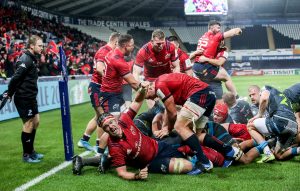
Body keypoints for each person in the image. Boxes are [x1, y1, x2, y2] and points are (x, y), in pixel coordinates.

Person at [73, 83, 197, 179]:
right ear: (105, 130)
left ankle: (101, 158)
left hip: (157, 146)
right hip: (149, 162)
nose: (110, 126)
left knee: (184, 151)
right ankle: (98, 158)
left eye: (111, 122)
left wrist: (142, 90)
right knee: (188, 166)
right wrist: (136, 176)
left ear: (116, 121)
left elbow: (137, 101)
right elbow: (122, 173)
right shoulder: (115, 145)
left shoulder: (124, 119)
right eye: (106, 127)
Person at [145, 73, 243, 173]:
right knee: (195, 135)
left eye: (148, 97)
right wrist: (165, 127)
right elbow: (168, 109)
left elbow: (173, 113)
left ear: (149, 88)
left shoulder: (159, 86)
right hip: (208, 94)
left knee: (179, 126)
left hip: (199, 94)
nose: (150, 99)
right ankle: (229, 151)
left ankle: (205, 162)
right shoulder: (161, 82)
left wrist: (167, 129)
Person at [77, 32, 120, 152]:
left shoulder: (109, 51)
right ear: (116, 42)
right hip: (97, 87)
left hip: (100, 87)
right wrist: (115, 77)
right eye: (119, 44)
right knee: (103, 117)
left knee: (98, 116)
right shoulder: (104, 51)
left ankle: (85, 140)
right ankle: (98, 145)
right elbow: (101, 69)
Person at [7, 35, 44, 163]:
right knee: (28, 124)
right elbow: (15, 78)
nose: (42, 48)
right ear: (32, 46)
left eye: (42, 46)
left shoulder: (33, 58)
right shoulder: (25, 59)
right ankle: (26, 155)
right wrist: (10, 93)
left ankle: (31, 151)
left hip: (31, 96)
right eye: (39, 45)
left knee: (36, 122)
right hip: (23, 97)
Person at [248, 85, 298, 163]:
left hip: (281, 121)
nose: (251, 97)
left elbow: (264, 99)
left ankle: (267, 153)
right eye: (250, 95)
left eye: (253, 94)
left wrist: (259, 115)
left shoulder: (265, 89)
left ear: (259, 92)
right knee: (279, 155)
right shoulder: (279, 96)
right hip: (293, 126)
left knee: (250, 126)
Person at [133, 29, 181, 108]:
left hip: (166, 78)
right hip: (150, 79)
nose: (161, 46)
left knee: (171, 106)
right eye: (158, 44)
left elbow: (176, 66)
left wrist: (174, 80)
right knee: (153, 108)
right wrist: (139, 86)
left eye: (163, 43)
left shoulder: (170, 47)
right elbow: (135, 72)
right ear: (151, 41)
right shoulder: (143, 51)